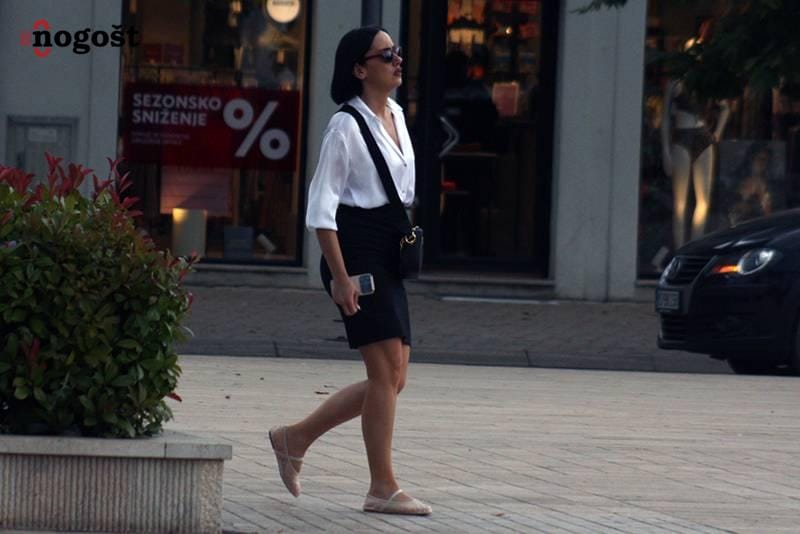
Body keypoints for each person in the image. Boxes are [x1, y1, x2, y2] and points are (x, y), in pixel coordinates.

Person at [267, 26, 432, 516]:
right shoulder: (344, 126)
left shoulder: (397, 115)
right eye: (386, 54)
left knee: (394, 377)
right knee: (384, 372)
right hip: (356, 251)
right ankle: (382, 487)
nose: (397, 60)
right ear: (360, 69)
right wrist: (340, 277)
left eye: (397, 52)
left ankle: (294, 438)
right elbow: (321, 211)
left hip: (388, 247)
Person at [728, 143, 774, 225]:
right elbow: (733, 214)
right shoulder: (734, 181)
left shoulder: (770, 185)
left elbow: (770, 216)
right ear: (751, 159)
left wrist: (762, 195)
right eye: (759, 159)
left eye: (766, 160)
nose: (763, 163)